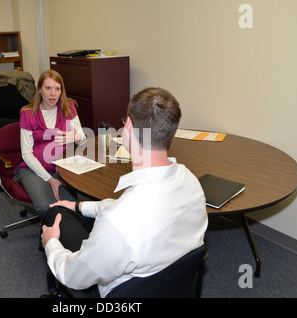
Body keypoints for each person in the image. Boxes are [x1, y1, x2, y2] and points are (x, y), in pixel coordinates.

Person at [41, 87, 208, 298]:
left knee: (55, 216)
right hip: (168, 286)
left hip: (117, 294)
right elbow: (125, 209)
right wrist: (79, 205)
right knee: (67, 211)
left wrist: (52, 243)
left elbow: (71, 275)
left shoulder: (118, 223)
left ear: (127, 126)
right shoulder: (192, 185)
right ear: (172, 132)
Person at [14, 70, 86, 217]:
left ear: (61, 91)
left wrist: (76, 136)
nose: (53, 93)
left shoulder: (69, 108)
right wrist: (50, 180)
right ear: (40, 90)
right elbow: (26, 154)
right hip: (33, 169)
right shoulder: (27, 114)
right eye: (48, 88)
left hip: (63, 168)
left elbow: (83, 138)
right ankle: (52, 235)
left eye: (57, 88)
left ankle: (68, 233)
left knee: (75, 206)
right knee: (46, 207)